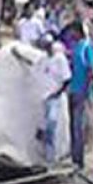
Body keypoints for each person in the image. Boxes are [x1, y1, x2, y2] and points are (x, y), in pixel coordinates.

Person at [36, 37, 71, 165]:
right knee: (44, 128)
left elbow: (66, 79)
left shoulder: (60, 59)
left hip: (55, 97)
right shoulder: (44, 60)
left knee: (52, 125)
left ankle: (53, 157)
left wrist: (57, 93)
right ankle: (47, 157)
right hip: (44, 98)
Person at [69, 23, 93, 168]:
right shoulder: (75, 47)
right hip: (73, 89)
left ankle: (79, 160)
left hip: (81, 90)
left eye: (73, 31)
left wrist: (86, 89)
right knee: (73, 124)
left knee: (78, 124)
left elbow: (92, 69)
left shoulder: (86, 47)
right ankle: (74, 156)